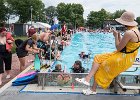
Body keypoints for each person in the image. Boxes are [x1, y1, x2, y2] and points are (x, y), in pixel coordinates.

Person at [75, 11, 140, 95]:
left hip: (124, 58)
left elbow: (119, 48)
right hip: (128, 56)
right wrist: (119, 36)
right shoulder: (136, 31)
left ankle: (93, 89)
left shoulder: (129, 33)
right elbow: (125, 47)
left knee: (101, 66)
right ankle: (87, 79)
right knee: (98, 57)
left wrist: (116, 36)